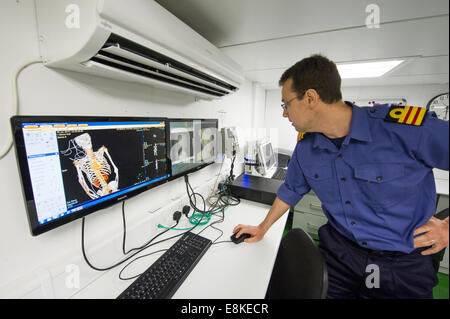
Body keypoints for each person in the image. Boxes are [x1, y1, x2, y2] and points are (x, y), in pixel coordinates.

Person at [233, 54, 449, 299]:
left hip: (401, 266)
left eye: (286, 104)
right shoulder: (306, 147)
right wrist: (262, 228)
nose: (285, 114)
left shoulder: (404, 129)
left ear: (311, 98)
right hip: (340, 256)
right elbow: (290, 191)